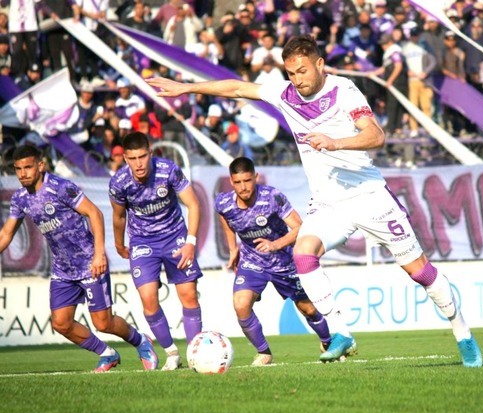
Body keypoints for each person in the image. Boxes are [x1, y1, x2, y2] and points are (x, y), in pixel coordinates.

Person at [146, 34, 483, 367]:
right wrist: (186, 88)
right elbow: (236, 88)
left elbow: (376, 135)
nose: (298, 79)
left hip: (368, 196)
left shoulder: (344, 90)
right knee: (303, 253)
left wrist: (335, 142)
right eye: (291, 73)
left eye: (303, 71)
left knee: (420, 272)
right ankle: (341, 333)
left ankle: (462, 333)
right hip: (328, 202)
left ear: (320, 64)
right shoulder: (285, 94)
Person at [0, 144, 158, 372]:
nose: (23, 173)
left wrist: (99, 254)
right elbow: (6, 234)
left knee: (103, 323)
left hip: (89, 262)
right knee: (61, 323)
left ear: (40, 165)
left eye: (28, 167)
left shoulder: (60, 187)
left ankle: (141, 341)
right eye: (18, 169)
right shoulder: (20, 198)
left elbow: (95, 213)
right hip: (63, 269)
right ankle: (107, 353)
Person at [215, 157, 333, 366]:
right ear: (231, 182)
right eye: (238, 182)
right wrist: (233, 248)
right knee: (241, 304)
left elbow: (300, 227)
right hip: (252, 262)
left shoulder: (272, 197)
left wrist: (275, 244)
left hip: (284, 262)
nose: (243, 187)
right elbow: (225, 217)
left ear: (256, 177)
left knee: (307, 309)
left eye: (247, 180)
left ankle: (328, 342)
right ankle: (264, 353)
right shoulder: (223, 202)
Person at [109, 132, 203, 371]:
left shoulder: (168, 170)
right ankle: (172, 353)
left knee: (189, 295)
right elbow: (119, 216)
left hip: (175, 237)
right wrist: (119, 244)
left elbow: (193, 204)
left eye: (142, 156)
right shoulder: (119, 182)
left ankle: (195, 353)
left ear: (150, 152)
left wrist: (190, 242)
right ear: (125, 158)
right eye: (132, 159)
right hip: (143, 242)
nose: (139, 163)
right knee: (149, 299)